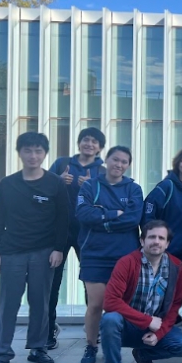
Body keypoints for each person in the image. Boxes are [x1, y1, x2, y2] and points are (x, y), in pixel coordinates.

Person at [0, 132, 68, 363]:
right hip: (11, 252)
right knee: (8, 305)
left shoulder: (55, 183)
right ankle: (1, 353)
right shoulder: (8, 184)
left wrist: (58, 249)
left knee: (40, 303)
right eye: (28, 150)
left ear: (45, 154)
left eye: (38, 151)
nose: (33, 155)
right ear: (20, 153)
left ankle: (38, 348)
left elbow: (63, 219)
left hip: (44, 252)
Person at [99, 220, 182, 363]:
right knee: (109, 319)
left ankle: (143, 355)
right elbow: (110, 302)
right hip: (127, 325)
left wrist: (159, 334)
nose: (156, 241)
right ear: (142, 241)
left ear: (167, 243)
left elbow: (174, 306)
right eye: (151, 237)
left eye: (161, 238)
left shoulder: (176, 266)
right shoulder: (126, 263)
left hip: (153, 328)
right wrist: (147, 321)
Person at [76, 146, 144, 363]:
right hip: (94, 254)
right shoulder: (90, 185)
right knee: (96, 304)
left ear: (128, 165)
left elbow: (132, 220)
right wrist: (113, 214)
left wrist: (101, 220)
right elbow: (83, 214)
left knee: (117, 306)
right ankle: (91, 346)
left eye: (124, 162)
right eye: (116, 159)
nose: (119, 164)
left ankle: (111, 346)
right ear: (106, 160)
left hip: (124, 255)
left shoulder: (133, 189)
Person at [47, 127, 107, 350]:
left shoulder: (102, 171)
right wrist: (57, 180)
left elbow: (107, 201)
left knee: (91, 283)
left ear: (99, 147)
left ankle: (92, 329)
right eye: (85, 140)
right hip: (59, 232)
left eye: (94, 141)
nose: (89, 144)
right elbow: (42, 188)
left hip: (88, 234)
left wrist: (91, 187)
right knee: (52, 282)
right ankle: (49, 329)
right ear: (79, 143)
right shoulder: (61, 164)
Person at [142, 149, 182, 335]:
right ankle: (167, 320)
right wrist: (153, 238)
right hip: (171, 245)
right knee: (169, 284)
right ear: (177, 164)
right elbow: (148, 211)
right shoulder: (166, 186)